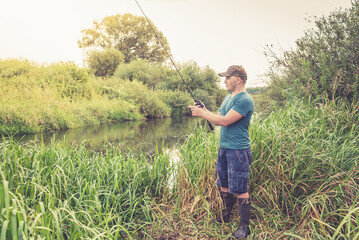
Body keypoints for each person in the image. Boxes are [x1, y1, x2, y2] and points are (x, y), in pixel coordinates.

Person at [188, 65, 254, 239]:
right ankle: (227, 214)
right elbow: (217, 119)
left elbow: (225, 121)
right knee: (223, 183)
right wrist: (205, 109)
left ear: (238, 79)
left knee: (240, 188)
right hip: (224, 148)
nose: (224, 80)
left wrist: (202, 113)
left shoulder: (245, 100)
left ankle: (244, 227)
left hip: (238, 150)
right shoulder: (227, 99)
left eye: (227, 77)